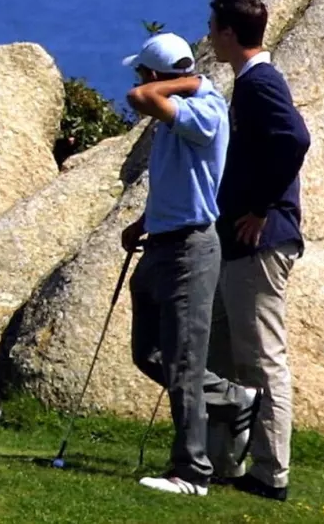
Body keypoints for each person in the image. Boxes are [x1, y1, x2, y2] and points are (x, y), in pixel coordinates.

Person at [203, 0, 310, 502]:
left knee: (264, 359)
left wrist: (264, 207)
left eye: (213, 27)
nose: (209, 36)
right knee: (228, 354)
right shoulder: (251, 83)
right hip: (242, 241)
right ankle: (222, 457)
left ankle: (271, 473)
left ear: (228, 32)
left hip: (261, 242)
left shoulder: (260, 82)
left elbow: (294, 138)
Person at [119, 31, 230, 497]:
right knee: (149, 353)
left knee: (184, 363)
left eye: (144, 70)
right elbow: (180, 179)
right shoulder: (175, 116)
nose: (140, 80)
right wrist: (143, 220)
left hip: (191, 247)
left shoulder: (204, 111)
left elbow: (138, 96)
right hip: (162, 241)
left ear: (156, 75)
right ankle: (233, 397)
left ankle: (192, 473)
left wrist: (188, 83)